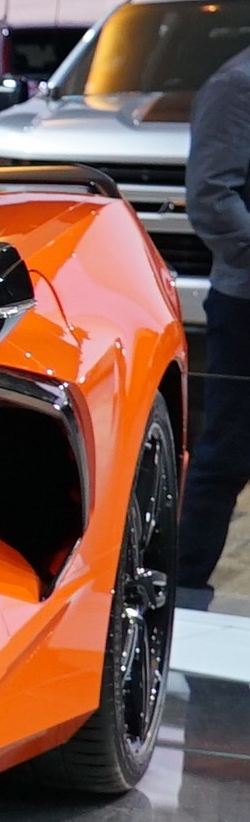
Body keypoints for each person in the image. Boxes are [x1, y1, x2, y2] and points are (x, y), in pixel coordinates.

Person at [179, 39, 250, 604]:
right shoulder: (236, 86)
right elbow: (211, 197)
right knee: (227, 453)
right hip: (248, 301)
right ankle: (181, 595)